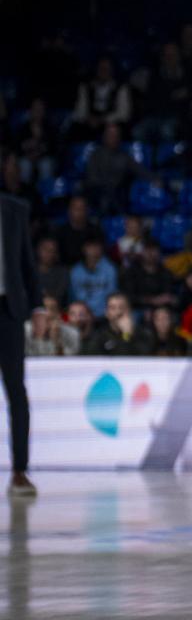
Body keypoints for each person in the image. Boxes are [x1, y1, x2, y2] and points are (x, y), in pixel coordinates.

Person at [1, 193, 40, 497]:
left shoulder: (15, 209)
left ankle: (19, 472)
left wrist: (37, 307)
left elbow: (27, 261)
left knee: (17, 391)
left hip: (9, 311)